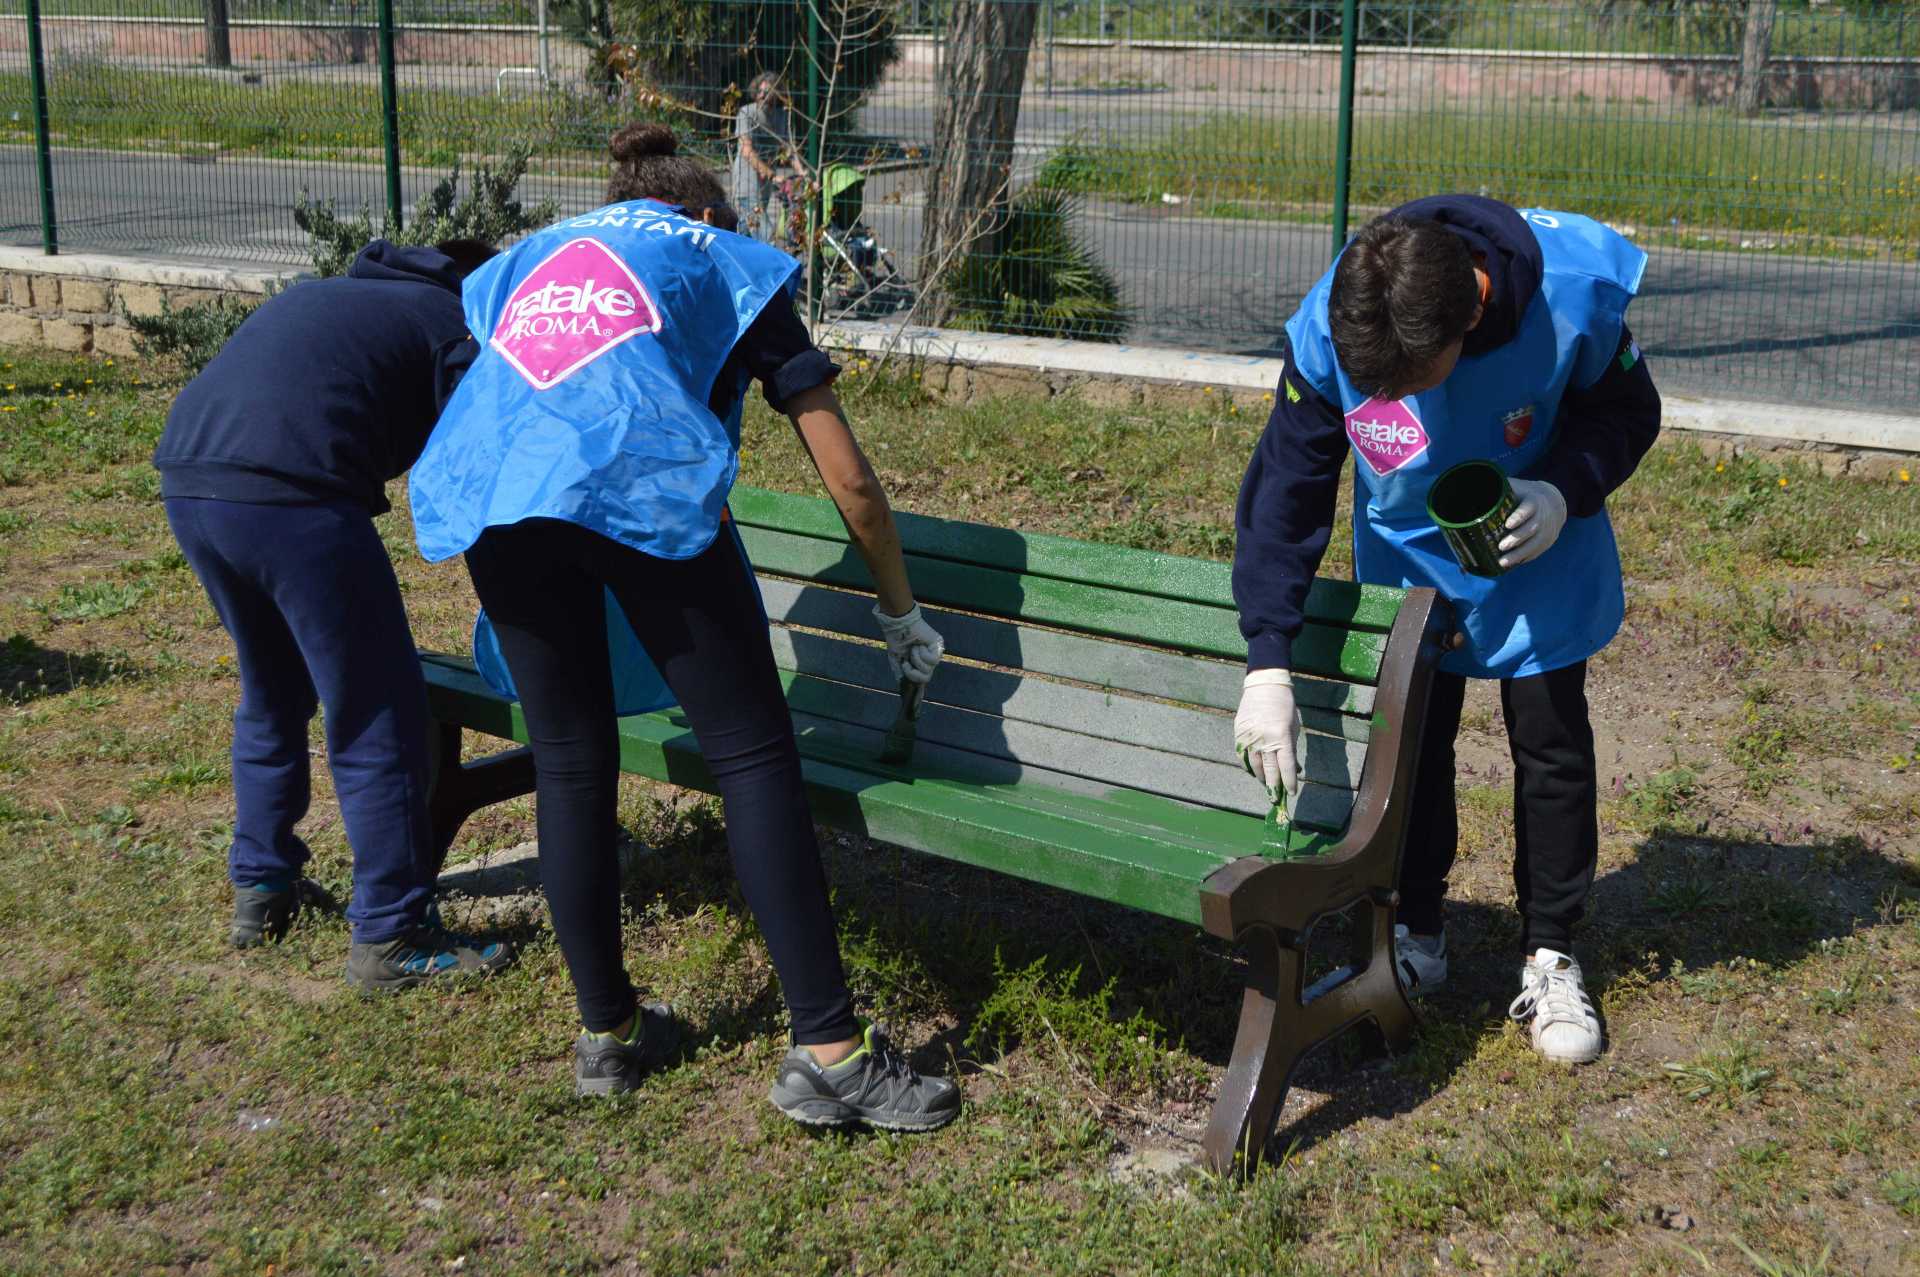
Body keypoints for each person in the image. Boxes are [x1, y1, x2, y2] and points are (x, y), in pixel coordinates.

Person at [407, 123, 959, 1131]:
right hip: (637, 479)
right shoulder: (727, 260)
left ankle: (608, 1033)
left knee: (570, 761)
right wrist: (898, 606)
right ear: (708, 210)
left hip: (496, 498)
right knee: (751, 753)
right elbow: (852, 480)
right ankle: (833, 1052)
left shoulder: (532, 256)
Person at [1231, 196, 1661, 1065]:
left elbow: (1628, 411)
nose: (1384, 400)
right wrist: (1267, 660)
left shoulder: (1570, 293)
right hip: (1411, 560)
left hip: (1536, 539)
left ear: (1468, 313)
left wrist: (1565, 488)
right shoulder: (1339, 317)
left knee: (1548, 741)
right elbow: (1288, 491)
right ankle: (1415, 934)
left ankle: (1550, 952)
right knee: (1414, 746)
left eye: (1406, 384)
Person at [152, 238, 515, 992]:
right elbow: (484, 469)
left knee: (274, 688)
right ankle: (392, 932)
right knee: (379, 708)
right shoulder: (456, 324)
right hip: (294, 491)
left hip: (190, 478)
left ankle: (263, 883)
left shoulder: (345, 294)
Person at [731, 71, 800, 247]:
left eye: (767, 92)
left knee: (745, 237)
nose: (762, 95)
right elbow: (747, 151)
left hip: (764, 188)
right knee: (766, 235)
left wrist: (803, 173)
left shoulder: (780, 116)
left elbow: (788, 149)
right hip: (746, 185)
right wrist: (771, 175)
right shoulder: (746, 113)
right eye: (760, 91)